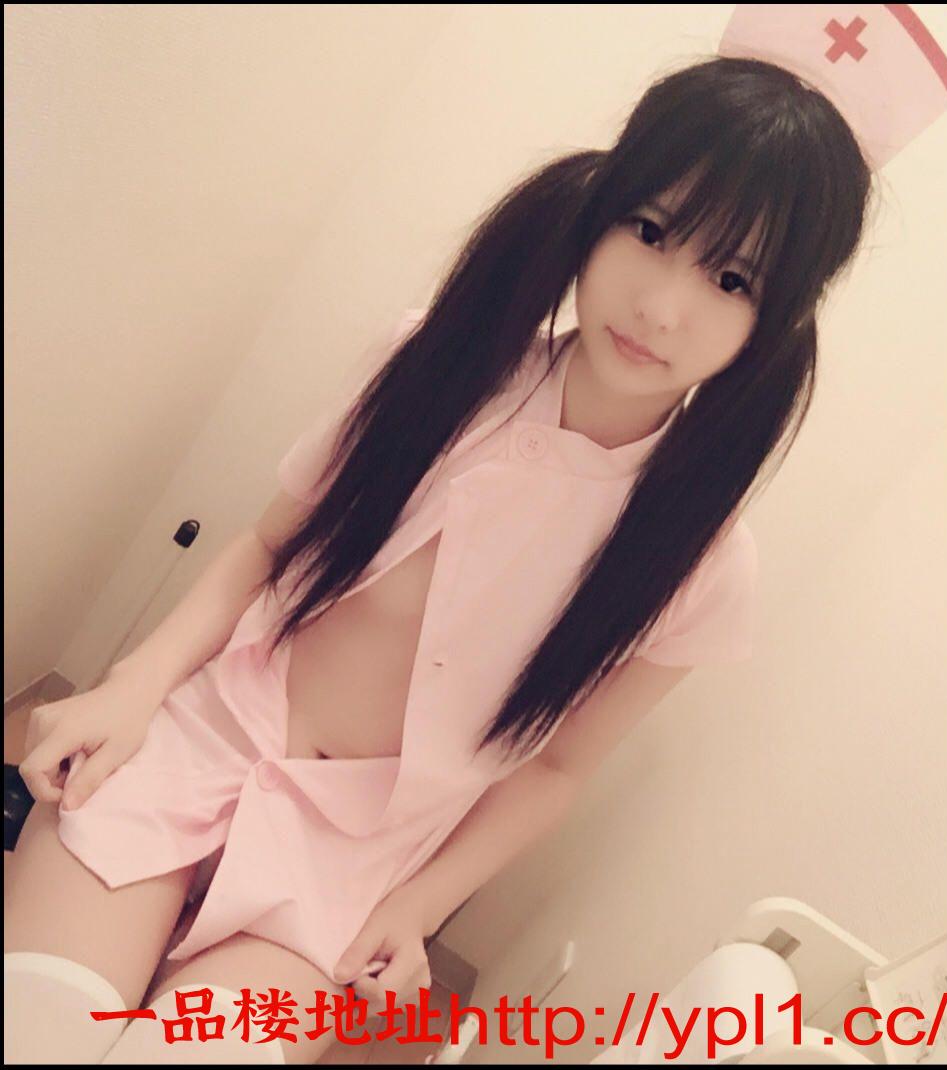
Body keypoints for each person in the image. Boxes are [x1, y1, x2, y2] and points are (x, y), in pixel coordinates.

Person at [5, 54, 874, 1065]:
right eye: (651, 230)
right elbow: (270, 543)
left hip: (347, 867)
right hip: (203, 739)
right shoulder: (441, 360)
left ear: (775, 321)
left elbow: (558, 765)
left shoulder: (704, 564)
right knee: (39, 1028)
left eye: (731, 279)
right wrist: (130, 687)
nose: (662, 307)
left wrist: (417, 905)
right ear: (600, 208)